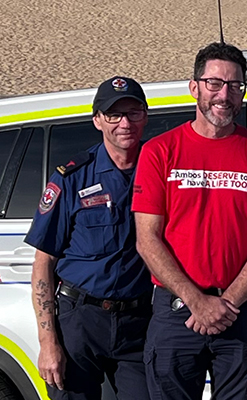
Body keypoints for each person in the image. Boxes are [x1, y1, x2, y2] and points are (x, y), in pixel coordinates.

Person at [132, 42, 247, 400]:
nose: (224, 95)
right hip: (176, 312)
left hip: (238, 313)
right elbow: (146, 238)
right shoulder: (159, 152)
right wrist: (197, 302)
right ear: (194, 86)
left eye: (234, 86)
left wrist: (225, 303)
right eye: (214, 83)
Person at [26, 76, 152, 399]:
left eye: (133, 113)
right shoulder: (72, 177)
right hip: (79, 321)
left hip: (138, 324)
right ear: (97, 120)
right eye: (113, 114)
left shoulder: (158, 171)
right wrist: (48, 342)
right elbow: (43, 263)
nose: (124, 123)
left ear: (145, 117)